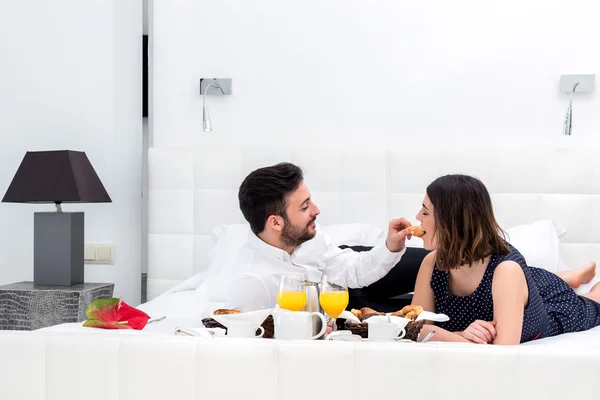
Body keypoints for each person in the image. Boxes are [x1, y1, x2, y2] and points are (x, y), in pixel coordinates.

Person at [410, 174, 600, 345]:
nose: (418, 217)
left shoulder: (507, 271)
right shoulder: (432, 262)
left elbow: (504, 348)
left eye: (426, 212)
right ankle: (568, 276)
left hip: (543, 305)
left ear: (452, 222)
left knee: (589, 303)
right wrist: (461, 335)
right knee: (522, 282)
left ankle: (582, 289)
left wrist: (445, 336)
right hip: (517, 285)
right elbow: (414, 330)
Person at [224, 162, 415, 312]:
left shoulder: (309, 238)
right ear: (275, 223)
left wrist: (391, 246)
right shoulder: (251, 284)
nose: (316, 210)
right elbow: (249, 349)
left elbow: (353, 270)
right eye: (304, 207)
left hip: (340, 298)